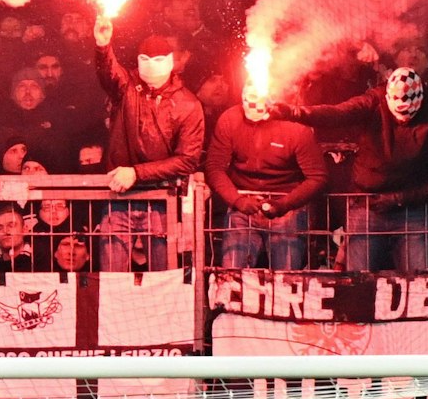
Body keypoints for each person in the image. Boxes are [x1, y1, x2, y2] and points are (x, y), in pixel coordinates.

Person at [280, 69, 428, 271]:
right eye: (397, 112)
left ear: (420, 102)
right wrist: (294, 112)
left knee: (417, 282)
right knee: (359, 281)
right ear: (389, 98)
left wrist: (400, 198)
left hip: (413, 210)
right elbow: (338, 113)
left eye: (408, 113)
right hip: (366, 205)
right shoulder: (374, 101)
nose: (402, 118)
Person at [93, 19, 204, 271]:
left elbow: (187, 159)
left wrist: (136, 173)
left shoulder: (188, 104)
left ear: (170, 62)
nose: (150, 66)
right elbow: (109, 72)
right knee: (112, 278)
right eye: (144, 59)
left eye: (157, 60)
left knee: (163, 279)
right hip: (120, 197)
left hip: (162, 199)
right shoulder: (127, 86)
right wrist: (103, 45)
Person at [206, 83, 328, 270]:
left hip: (287, 208)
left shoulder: (296, 128)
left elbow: (317, 176)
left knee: (286, 278)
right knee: (232, 274)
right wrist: (237, 200)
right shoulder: (230, 119)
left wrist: (284, 204)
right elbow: (215, 168)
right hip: (242, 206)